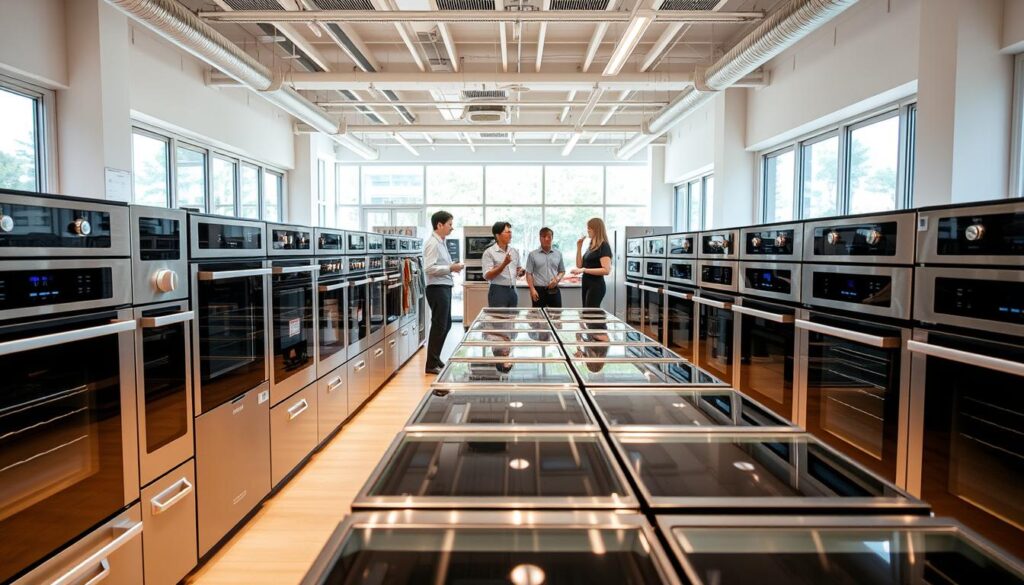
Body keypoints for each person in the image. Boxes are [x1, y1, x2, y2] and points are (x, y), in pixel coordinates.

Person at [423, 210, 464, 375]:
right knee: (440, 325)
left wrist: (451, 267)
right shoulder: (432, 243)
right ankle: (430, 364)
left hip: (443, 286)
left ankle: (435, 358)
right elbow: (429, 268)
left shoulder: (441, 241)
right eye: (449, 224)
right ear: (439, 225)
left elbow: (438, 265)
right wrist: (450, 268)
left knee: (445, 325)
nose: (451, 228)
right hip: (437, 289)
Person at [570, 217, 613, 308]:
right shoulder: (591, 246)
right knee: (586, 313)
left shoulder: (604, 246)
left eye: (589, 228)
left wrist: (584, 270)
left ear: (596, 229)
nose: (587, 230)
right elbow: (579, 265)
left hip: (596, 285)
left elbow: (606, 270)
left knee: (591, 314)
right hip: (586, 283)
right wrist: (579, 247)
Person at [481, 221, 525, 308]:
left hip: (513, 290)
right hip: (498, 291)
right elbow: (487, 276)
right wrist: (503, 264)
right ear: (497, 235)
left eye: (510, 232)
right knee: (499, 320)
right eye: (507, 232)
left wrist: (520, 272)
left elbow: (517, 270)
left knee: (512, 319)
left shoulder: (514, 251)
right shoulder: (489, 252)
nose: (510, 235)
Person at [525, 227, 566, 309]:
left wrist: (557, 279)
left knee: (556, 316)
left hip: (554, 289)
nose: (546, 239)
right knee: (538, 317)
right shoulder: (533, 254)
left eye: (549, 237)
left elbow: (562, 271)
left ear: (552, 238)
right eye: (544, 237)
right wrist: (532, 289)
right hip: (538, 290)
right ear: (540, 238)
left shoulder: (558, 254)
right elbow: (528, 273)